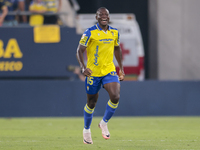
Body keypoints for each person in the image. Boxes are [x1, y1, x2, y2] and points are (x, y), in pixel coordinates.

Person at [76, 7, 125, 144]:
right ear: (96, 17)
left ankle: (104, 122)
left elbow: (117, 49)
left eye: (106, 14)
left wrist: (121, 68)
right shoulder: (90, 32)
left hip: (109, 70)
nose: (104, 16)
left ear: (109, 17)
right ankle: (86, 130)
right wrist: (83, 67)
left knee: (115, 96)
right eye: (101, 14)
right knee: (91, 103)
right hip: (93, 73)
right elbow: (79, 51)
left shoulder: (114, 32)